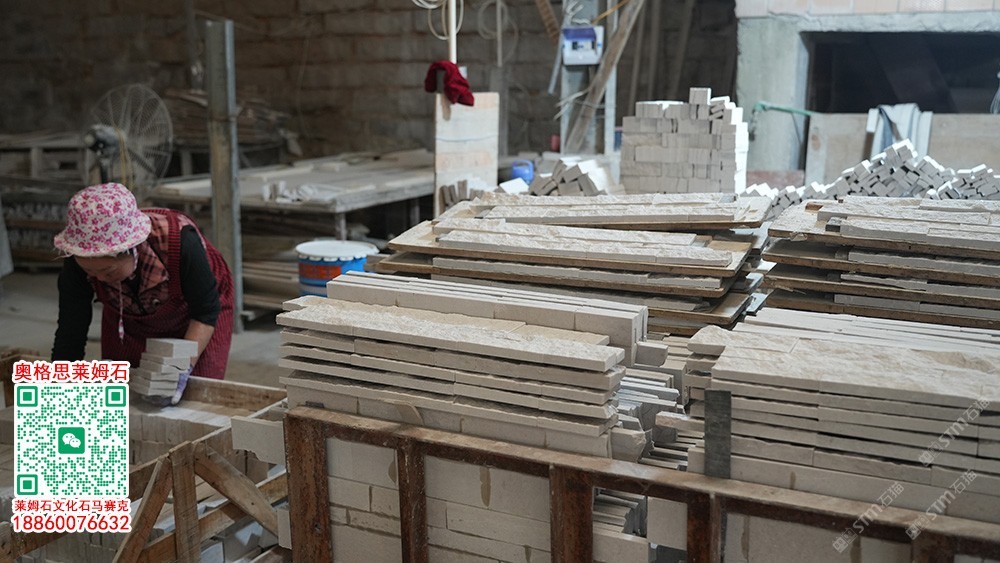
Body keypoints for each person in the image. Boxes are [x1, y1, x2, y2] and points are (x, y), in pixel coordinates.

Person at [51, 183, 234, 399]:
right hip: (128, 313)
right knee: (122, 390)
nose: (99, 279)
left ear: (132, 249)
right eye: (90, 271)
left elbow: (205, 311)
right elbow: (71, 330)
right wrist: (59, 387)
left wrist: (180, 368)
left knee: (194, 394)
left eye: (108, 271)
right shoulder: (78, 259)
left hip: (197, 315)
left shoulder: (181, 241)